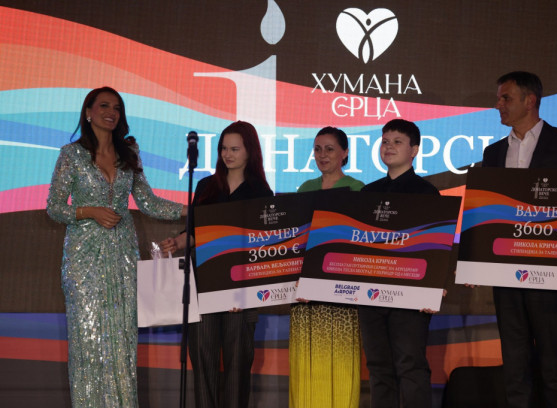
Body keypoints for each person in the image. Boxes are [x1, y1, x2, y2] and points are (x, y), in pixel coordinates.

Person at [46, 86, 187, 407]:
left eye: (117, 108)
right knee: (87, 338)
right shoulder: (71, 154)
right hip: (83, 258)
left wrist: (191, 209)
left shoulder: (129, 152)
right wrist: (89, 211)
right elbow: (54, 207)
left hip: (122, 255)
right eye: (104, 106)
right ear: (88, 112)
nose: (111, 112)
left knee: (122, 339)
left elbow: (148, 202)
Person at [483, 71, 557, 408]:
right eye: (499, 98)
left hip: (552, 269)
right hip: (505, 270)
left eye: (506, 98)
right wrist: (477, 261)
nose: (498, 104)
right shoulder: (493, 153)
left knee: (552, 360)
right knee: (514, 362)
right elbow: (484, 211)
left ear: (530, 101)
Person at [160, 121, 273, 408]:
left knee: (238, 367)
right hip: (205, 285)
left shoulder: (261, 191)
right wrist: (178, 241)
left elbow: (265, 245)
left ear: (250, 151)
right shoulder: (206, 186)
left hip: (242, 289)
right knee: (203, 361)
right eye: (224, 148)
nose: (227, 154)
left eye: (235, 149)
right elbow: (196, 232)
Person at [358, 119, 439, 408]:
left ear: (414, 150)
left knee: (410, 365)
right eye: (385, 141)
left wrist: (432, 289)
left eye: (397, 142)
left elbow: (435, 247)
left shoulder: (426, 193)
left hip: (410, 294)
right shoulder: (368, 194)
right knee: (378, 367)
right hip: (370, 293)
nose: (388, 147)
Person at [290, 126, 364, 408]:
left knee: (340, 366)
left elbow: (359, 241)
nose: (322, 155)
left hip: (341, 291)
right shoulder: (304, 189)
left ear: (344, 153)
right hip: (305, 292)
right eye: (318, 149)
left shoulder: (358, 189)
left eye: (330, 149)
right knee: (306, 366)